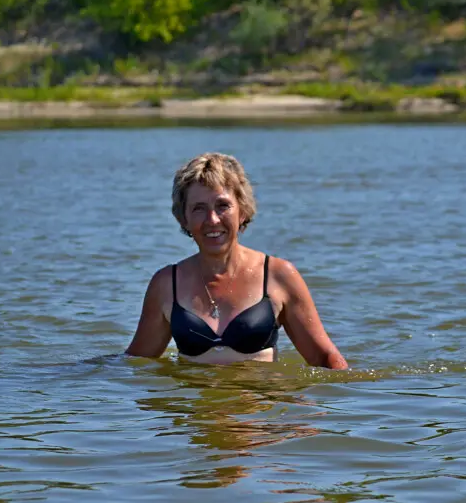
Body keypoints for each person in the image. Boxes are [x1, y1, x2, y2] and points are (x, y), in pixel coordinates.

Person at [125, 152, 348, 370]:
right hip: (193, 405)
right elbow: (135, 363)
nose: (212, 220)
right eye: (198, 209)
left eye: (222, 206)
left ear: (242, 210)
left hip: (260, 404)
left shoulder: (277, 276)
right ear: (183, 218)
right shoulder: (166, 284)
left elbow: (325, 357)